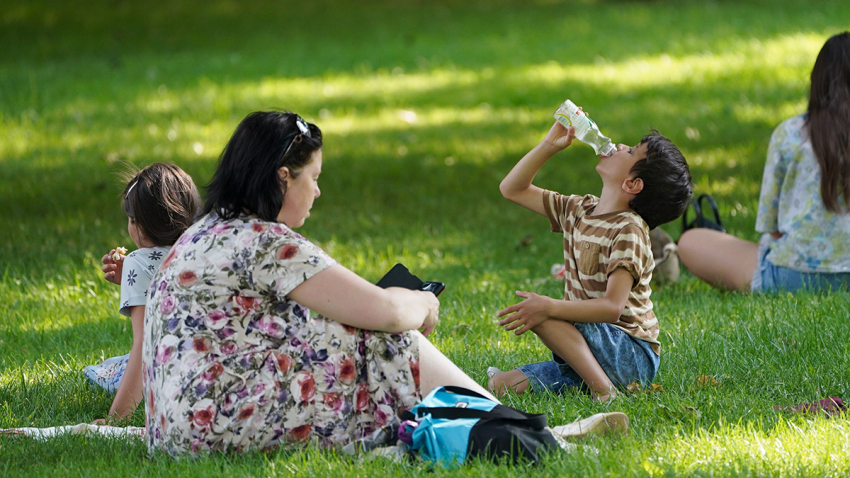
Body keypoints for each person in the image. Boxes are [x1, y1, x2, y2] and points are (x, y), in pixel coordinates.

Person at [142, 111, 498, 455]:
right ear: (284, 177)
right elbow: (388, 313)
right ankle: (500, 422)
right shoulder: (265, 241)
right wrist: (423, 302)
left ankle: (481, 418)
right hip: (221, 423)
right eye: (313, 177)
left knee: (344, 329)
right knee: (386, 336)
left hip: (175, 427)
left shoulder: (204, 231)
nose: (318, 191)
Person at [489, 118, 692, 401]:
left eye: (631, 151)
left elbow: (611, 307)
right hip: (593, 348)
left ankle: (604, 390)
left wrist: (550, 307)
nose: (620, 145)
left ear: (633, 184)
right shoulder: (579, 210)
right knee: (500, 386)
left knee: (542, 313)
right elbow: (512, 189)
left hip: (631, 355)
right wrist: (548, 146)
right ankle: (588, 380)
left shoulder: (628, 230)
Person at [678, 32, 850, 293]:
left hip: (789, 275)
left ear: (817, 80)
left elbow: (773, 227)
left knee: (692, 240)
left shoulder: (790, 133)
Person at [83, 163, 200, 423]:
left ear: (138, 225)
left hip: (173, 377)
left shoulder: (138, 261)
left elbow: (146, 344)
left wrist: (118, 418)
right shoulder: (199, 249)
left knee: (108, 370)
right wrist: (131, 281)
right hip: (206, 367)